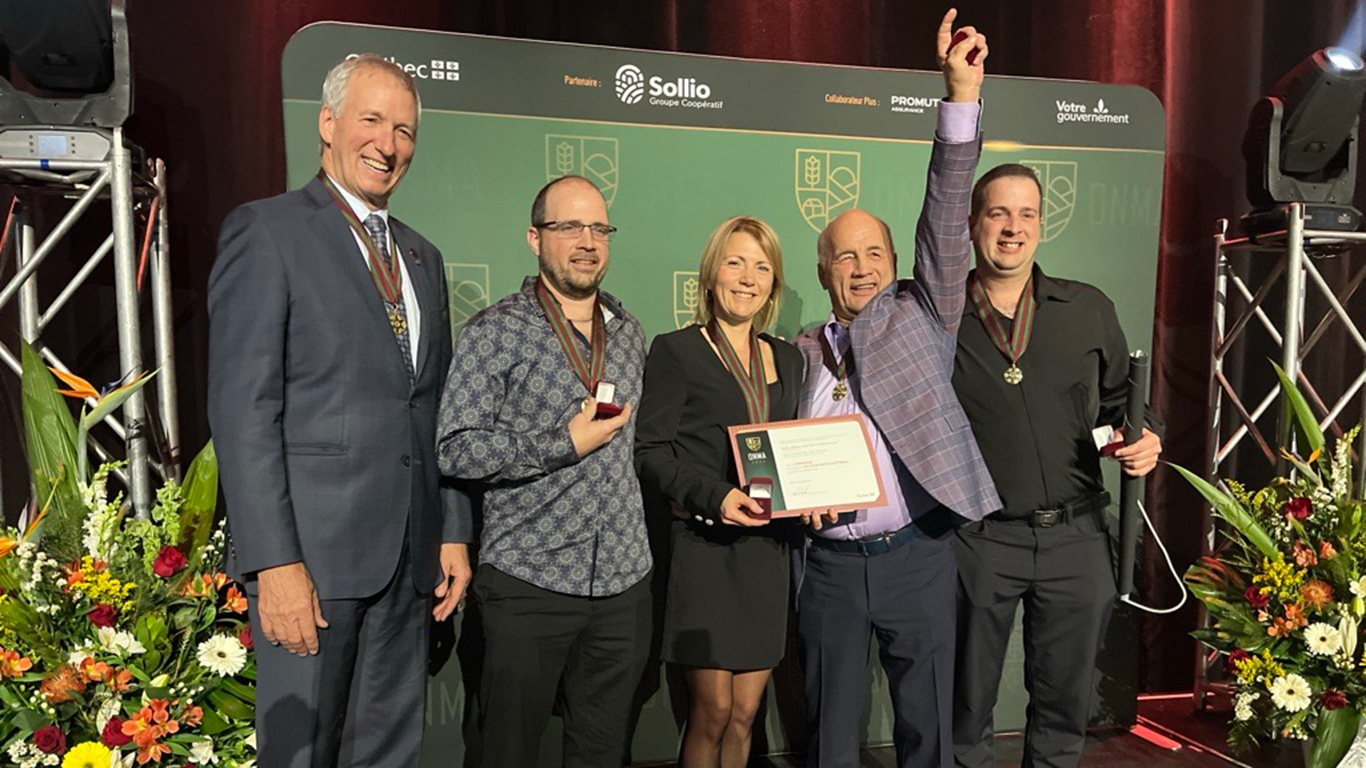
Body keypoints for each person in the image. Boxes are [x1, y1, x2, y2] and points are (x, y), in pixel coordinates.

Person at [208, 54, 473, 768]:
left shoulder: (423, 257)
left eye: (406, 130)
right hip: (313, 568)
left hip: (410, 563)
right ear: (327, 124)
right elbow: (243, 411)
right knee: (303, 756)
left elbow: (434, 408)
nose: (389, 144)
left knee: (388, 753)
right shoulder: (267, 233)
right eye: (372, 120)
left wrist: (450, 530)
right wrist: (275, 563)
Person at [791, 10, 999, 768]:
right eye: (844, 257)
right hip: (830, 570)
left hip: (918, 555)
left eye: (874, 251)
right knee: (830, 744)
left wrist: (959, 97)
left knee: (928, 738)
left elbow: (946, 208)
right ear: (823, 273)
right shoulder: (796, 353)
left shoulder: (924, 311)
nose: (863, 266)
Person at [950, 163, 1162, 768]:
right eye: (998, 213)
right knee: (965, 708)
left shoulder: (1086, 308)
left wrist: (1147, 438)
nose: (1012, 229)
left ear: (1041, 225)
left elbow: (1132, 404)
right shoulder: (940, 319)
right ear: (971, 225)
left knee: (1064, 710)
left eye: (1026, 215)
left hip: (1077, 538)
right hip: (979, 538)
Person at [436, 175, 652, 768]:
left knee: (603, 752)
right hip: (528, 579)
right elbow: (455, 448)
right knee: (504, 750)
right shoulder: (494, 331)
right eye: (568, 227)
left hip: (623, 581)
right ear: (535, 237)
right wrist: (562, 443)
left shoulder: (629, 333)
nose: (587, 241)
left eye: (598, 228)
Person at [635, 217, 805, 768]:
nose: (747, 278)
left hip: (767, 552)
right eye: (735, 263)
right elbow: (651, 451)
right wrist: (714, 496)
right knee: (711, 710)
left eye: (761, 267)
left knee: (745, 713)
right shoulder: (676, 351)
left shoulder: (790, 358)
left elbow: (795, 450)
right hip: (705, 551)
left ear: (773, 282)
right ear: (710, 276)